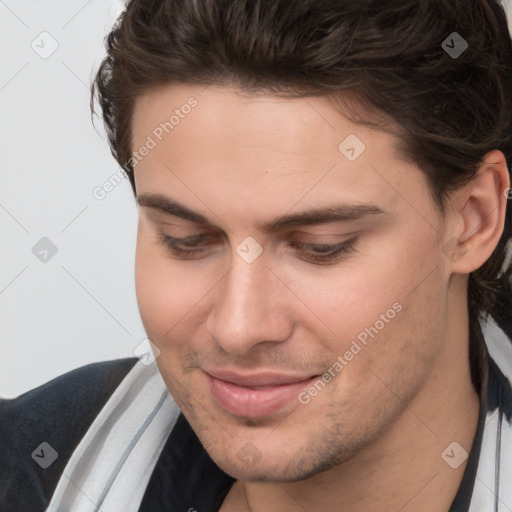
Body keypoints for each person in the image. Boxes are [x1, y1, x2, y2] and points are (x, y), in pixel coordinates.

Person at [2, 0, 512, 510]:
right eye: (186, 239)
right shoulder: (28, 469)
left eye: (320, 247)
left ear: (473, 218)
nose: (238, 328)